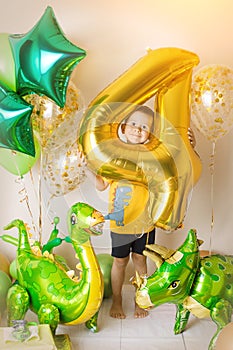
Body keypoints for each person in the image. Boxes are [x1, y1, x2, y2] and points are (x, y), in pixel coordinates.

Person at [82, 105, 156, 319]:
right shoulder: (115, 155)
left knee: (141, 261)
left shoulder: (152, 154)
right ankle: (117, 299)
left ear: (150, 133)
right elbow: (101, 185)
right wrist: (85, 166)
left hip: (145, 223)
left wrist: (191, 144)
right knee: (120, 262)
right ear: (123, 127)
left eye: (144, 127)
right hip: (121, 223)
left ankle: (139, 300)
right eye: (133, 124)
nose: (138, 129)